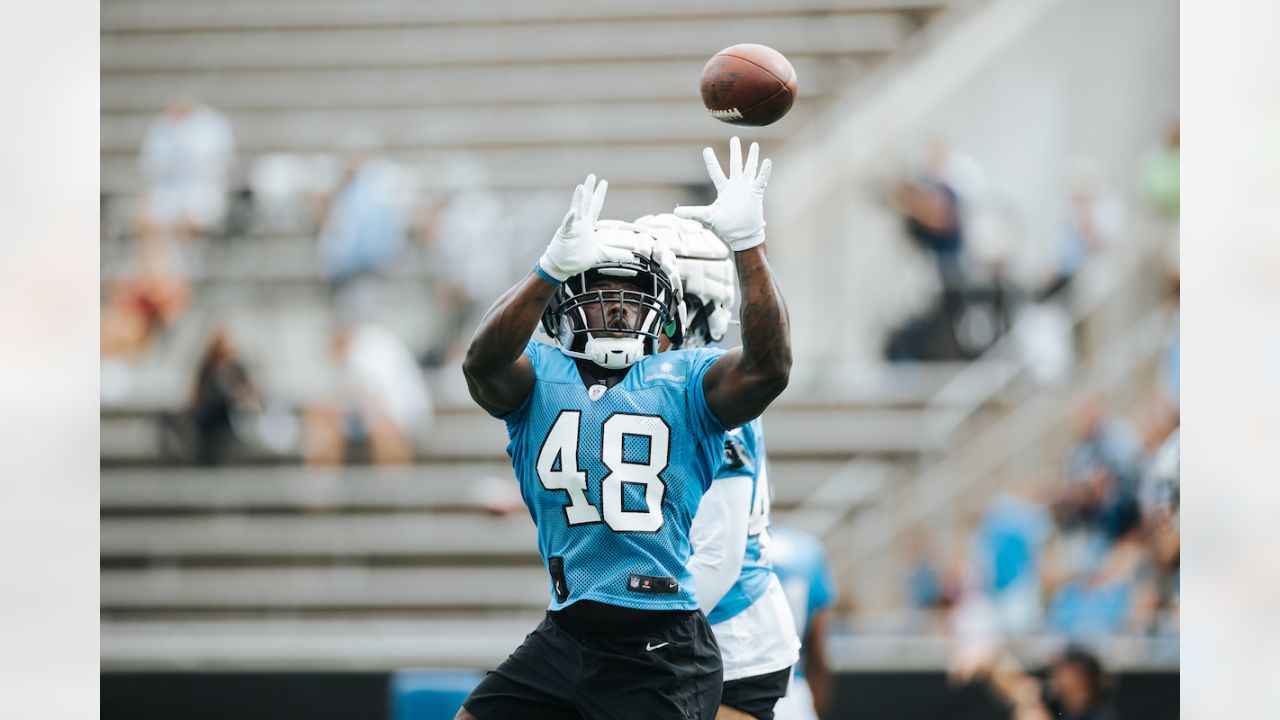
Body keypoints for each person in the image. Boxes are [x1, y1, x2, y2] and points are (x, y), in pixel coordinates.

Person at [457, 137, 790, 720]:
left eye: (633, 295)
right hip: (569, 631)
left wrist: (748, 246)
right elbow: (481, 364)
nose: (617, 308)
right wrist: (545, 270)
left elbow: (769, 369)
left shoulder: (688, 377)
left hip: (661, 642)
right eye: (599, 291)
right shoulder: (540, 372)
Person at [638, 213, 800, 720]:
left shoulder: (706, 393)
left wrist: (629, 640)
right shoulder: (656, 386)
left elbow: (717, 558)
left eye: (643, 294)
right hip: (697, 635)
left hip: (730, 644)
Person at [769, 527, 838, 720]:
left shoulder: (730, 543)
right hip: (794, 693)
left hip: (736, 692)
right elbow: (819, 654)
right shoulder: (808, 549)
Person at [188, 326, 260, 465]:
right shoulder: (208, 366)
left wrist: (243, 399)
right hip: (211, 414)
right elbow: (199, 391)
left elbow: (250, 389)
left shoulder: (236, 367)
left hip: (232, 413)